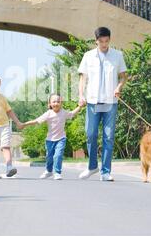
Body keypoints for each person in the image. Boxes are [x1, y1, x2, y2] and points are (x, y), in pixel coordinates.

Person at [77, 27, 127, 182]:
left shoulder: (117, 55)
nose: (104, 44)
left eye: (107, 41)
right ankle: (92, 167)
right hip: (92, 102)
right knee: (91, 134)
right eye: (101, 42)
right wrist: (81, 95)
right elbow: (83, 78)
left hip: (110, 103)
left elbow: (123, 77)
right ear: (96, 41)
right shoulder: (88, 56)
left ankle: (105, 171)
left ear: (109, 40)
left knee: (108, 137)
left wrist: (119, 87)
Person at [20, 94, 82, 180]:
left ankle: (57, 172)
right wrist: (25, 124)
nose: (56, 103)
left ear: (61, 103)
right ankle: (49, 171)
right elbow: (37, 121)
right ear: (49, 104)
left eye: (58, 101)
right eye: (54, 101)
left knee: (58, 155)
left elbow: (72, 114)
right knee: (49, 157)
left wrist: (80, 106)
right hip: (50, 140)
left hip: (61, 139)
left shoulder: (63, 112)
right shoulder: (48, 114)